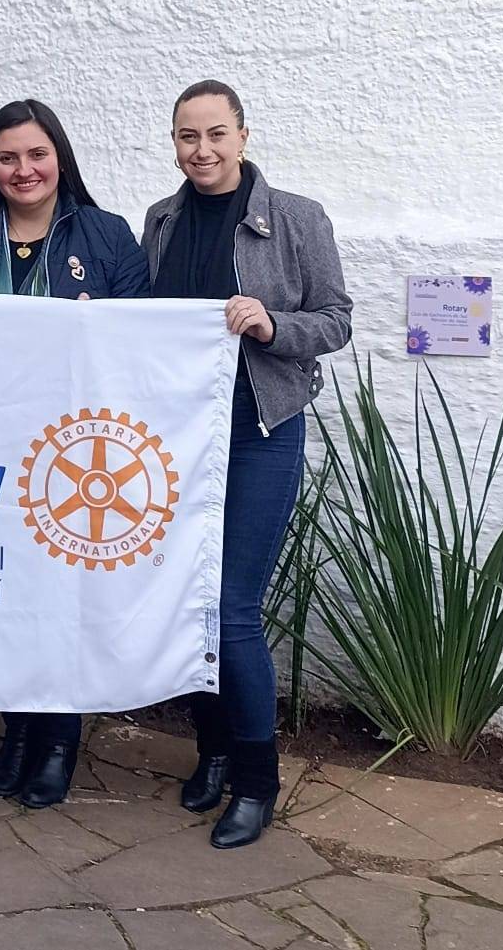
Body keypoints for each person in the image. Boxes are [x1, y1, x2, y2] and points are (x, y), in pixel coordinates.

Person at [0, 98, 151, 808]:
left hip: (76, 459)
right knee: (4, 596)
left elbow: (142, 339)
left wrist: (98, 330)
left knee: (62, 600)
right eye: (7, 157)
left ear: (61, 158)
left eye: (36, 154)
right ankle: (16, 730)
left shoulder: (107, 236)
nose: (23, 170)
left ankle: (57, 740)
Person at [144, 79, 351, 848]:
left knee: (231, 607)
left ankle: (257, 782)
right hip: (179, 437)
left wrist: (271, 323)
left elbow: (336, 320)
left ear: (243, 134)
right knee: (189, 603)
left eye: (215, 134)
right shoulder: (160, 221)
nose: (202, 150)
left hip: (261, 428)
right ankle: (214, 750)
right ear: (174, 143)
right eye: (187, 137)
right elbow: (150, 323)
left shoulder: (297, 217)